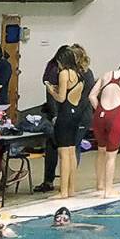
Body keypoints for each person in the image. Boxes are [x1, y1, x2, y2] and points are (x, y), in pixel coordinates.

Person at [88, 58, 120, 197]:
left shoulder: (106, 74)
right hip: (115, 116)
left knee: (101, 150)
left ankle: (99, 184)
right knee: (111, 155)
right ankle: (108, 190)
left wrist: (99, 111)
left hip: (100, 115)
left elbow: (91, 96)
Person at [44, 46, 83, 198]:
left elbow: (60, 98)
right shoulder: (78, 74)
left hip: (64, 115)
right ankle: (71, 189)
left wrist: (51, 90)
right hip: (75, 114)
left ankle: (63, 191)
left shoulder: (64, 73)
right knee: (72, 152)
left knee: (63, 153)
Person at [33, 45, 68, 193]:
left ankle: (49, 180)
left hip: (54, 112)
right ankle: (64, 181)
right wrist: (55, 115)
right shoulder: (57, 71)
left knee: (53, 148)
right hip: (58, 113)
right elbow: (53, 96)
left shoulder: (51, 68)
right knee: (62, 150)